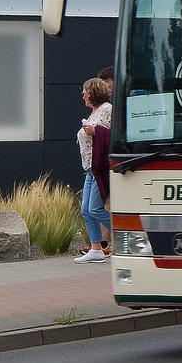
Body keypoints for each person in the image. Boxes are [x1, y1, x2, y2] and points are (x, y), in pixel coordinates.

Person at [74, 77, 112, 263]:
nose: (83, 94)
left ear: (93, 92)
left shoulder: (106, 109)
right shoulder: (93, 113)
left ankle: (126, 230)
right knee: (86, 210)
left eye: (85, 90)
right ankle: (96, 249)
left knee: (95, 209)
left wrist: (95, 131)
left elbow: (114, 134)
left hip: (99, 167)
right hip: (90, 168)